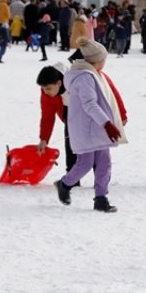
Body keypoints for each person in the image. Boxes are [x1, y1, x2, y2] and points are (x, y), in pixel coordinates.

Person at [53, 39, 126, 213]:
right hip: (87, 127)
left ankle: (101, 198)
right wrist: (107, 124)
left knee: (104, 163)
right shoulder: (84, 77)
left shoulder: (94, 74)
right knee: (85, 163)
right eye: (103, 59)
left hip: (97, 127)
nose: (105, 62)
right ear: (96, 60)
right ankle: (64, 184)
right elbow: (89, 104)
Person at [36, 63, 75, 171]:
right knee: (71, 147)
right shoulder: (47, 91)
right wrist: (44, 139)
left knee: (94, 150)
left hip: (87, 113)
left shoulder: (76, 81)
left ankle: (100, 182)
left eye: (48, 89)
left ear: (59, 83)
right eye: (43, 89)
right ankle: (72, 180)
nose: (45, 92)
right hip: (68, 114)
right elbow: (47, 116)